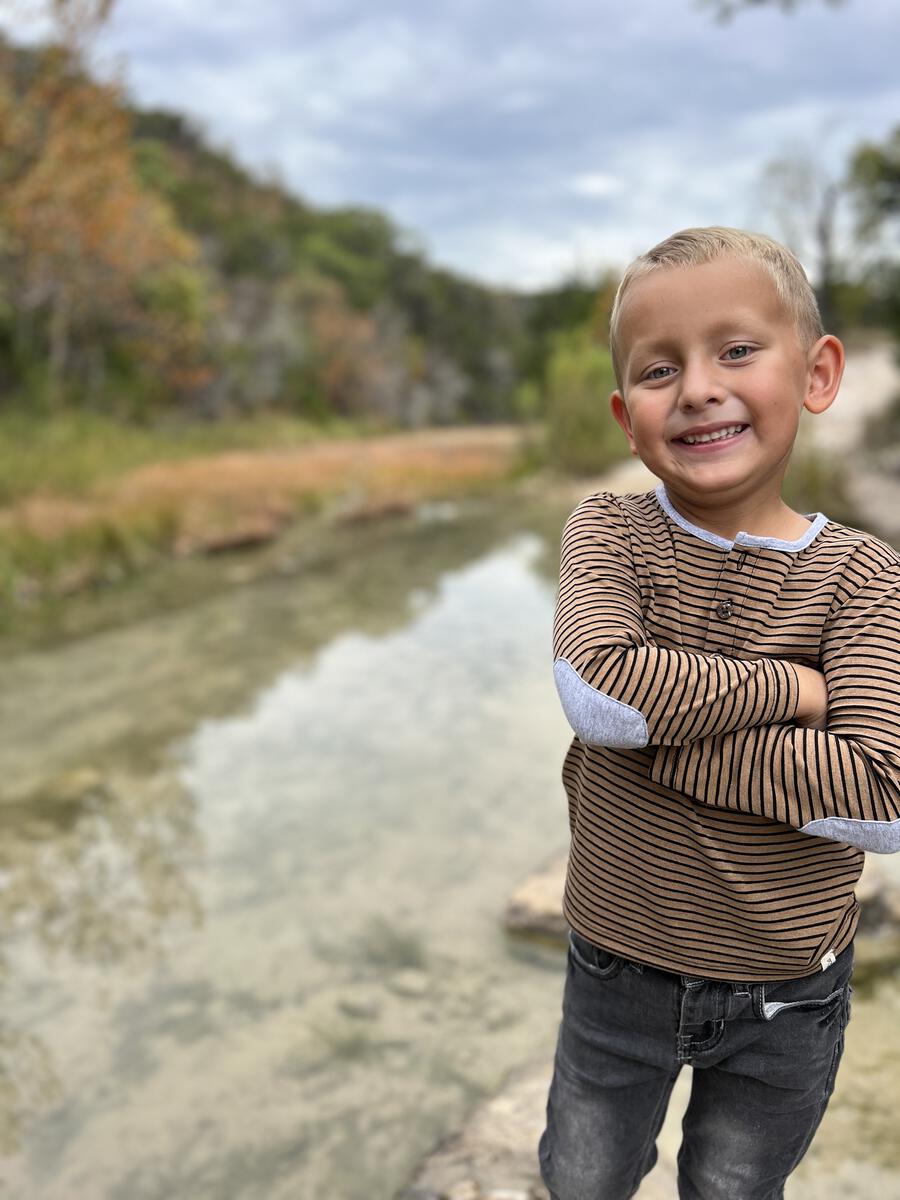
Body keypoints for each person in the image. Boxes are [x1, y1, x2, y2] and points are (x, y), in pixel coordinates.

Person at [538, 226, 900, 1200]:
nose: (698, 387)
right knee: (582, 1175)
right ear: (626, 416)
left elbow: (882, 798)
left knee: (736, 1187)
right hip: (616, 964)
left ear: (818, 373)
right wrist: (797, 691)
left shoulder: (861, 577)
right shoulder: (607, 528)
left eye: (737, 350)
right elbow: (603, 692)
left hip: (788, 989)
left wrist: (667, 738)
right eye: (661, 370)